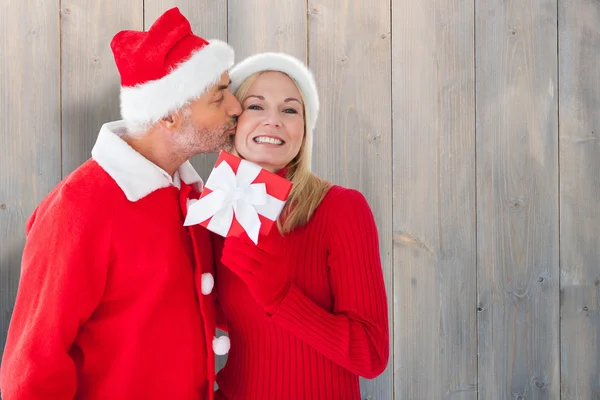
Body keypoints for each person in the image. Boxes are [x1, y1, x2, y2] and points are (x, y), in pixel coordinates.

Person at [0, 7, 240, 400]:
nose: (235, 107)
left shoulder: (193, 196)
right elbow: (32, 372)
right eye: (219, 96)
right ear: (169, 116)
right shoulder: (80, 206)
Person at [213, 52, 389, 399]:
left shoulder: (340, 208)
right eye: (256, 106)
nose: (273, 121)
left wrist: (282, 299)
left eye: (290, 109)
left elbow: (371, 356)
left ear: (304, 130)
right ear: (234, 122)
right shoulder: (217, 211)